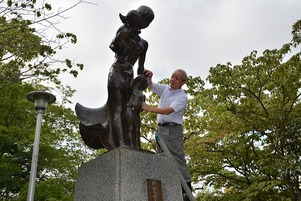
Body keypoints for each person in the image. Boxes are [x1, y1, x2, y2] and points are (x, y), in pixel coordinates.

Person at [142, 69, 193, 200]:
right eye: (172, 77)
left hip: (173, 130)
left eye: (176, 78)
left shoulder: (182, 97)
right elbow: (151, 86)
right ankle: (168, 185)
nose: (172, 80)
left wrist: (149, 108)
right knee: (162, 157)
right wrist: (149, 78)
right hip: (161, 129)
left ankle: (186, 190)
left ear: (182, 82)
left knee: (176, 157)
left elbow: (169, 110)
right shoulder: (165, 89)